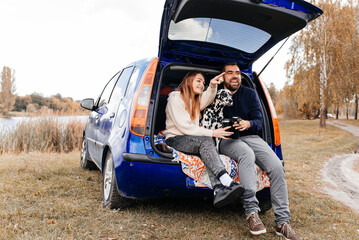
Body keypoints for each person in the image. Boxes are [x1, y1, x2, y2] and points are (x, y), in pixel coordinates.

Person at [218, 62, 300, 240]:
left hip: (251, 137)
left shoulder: (250, 93)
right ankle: (252, 212)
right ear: (223, 77)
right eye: (230, 73)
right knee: (246, 154)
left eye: (238, 73)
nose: (234, 76)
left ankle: (282, 223)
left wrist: (248, 124)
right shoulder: (215, 94)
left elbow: (259, 121)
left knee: (277, 166)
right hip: (227, 139)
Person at [164, 71, 244, 208]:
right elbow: (185, 127)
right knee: (206, 141)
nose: (202, 85)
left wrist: (212, 86)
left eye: (203, 82)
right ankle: (227, 181)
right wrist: (212, 132)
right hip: (175, 138)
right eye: (198, 81)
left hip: (190, 139)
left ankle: (218, 189)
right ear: (189, 81)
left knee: (207, 148)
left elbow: (206, 99)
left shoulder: (194, 101)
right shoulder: (175, 98)